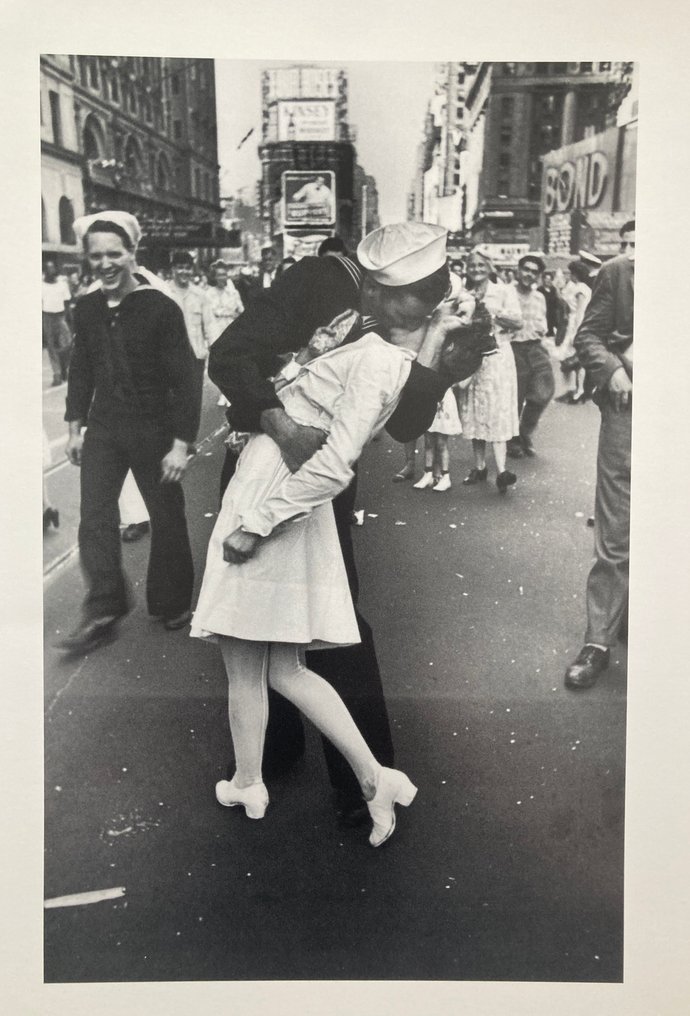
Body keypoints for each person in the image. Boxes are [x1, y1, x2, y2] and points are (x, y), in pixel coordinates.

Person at [193, 223, 472, 845]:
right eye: (411, 307)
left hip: (309, 482)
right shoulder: (319, 281)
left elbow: (404, 427)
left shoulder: (408, 326)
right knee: (269, 636)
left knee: (319, 624)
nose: (415, 318)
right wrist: (279, 422)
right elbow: (230, 355)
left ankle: (356, 781)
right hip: (270, 452)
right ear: (380, 284)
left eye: (428, 311)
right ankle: (270, 757)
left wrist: (432, 360)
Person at [58, 211, 201, 653]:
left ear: (132, 254)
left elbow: (187, 378)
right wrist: (74, 426)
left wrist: (180, 444)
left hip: (154, 427)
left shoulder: (160, 307)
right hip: (104, 427)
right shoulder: (87, 307)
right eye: (96, 255)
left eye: (114, 254)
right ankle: (105, 604)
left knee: (166, 516)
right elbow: (81, 369)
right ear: (87, 258)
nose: (105, 263)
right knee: (95, 517)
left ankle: (172, 601)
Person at [564, 220, 635, 690]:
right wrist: (612, 370)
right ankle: (599, 640)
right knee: (616, 529)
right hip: (629, 410)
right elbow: (587, 336)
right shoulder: (618, 272)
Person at [457, 248, 523, 493]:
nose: (476, 270)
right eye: (472, 265)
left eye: (481, 265)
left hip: (498, 356)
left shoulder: (503, 291)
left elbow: (518, 321)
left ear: (490, 267)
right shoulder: (463, 293)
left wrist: (491, 313)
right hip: (473, 356)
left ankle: (502, 470)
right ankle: (479, 466)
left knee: (497, 409)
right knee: (476, 408)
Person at [507, 254, 554, 459]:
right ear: (518, 270)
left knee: (544, 391)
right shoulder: (506, 293)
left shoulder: (539, 297)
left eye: (534, 272)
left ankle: (525, 432)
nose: (529, 274)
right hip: (512, 348)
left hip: (535, 348)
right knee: (514, 398)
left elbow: (542, 324)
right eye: (526, 269)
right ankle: (513, 440)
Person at [168, 251, 215, 409]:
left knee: (193, 403)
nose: (184, 272)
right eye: (180, 267)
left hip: (195, 358)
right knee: (170, 403)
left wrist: (215, 353)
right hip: (169, 358)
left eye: (188, 268)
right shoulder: (163, 293)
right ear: (173, 269)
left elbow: (210, 327)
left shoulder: (200, 295)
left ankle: (189, 434)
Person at [558, 260, 593, 403]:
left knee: (576, 360)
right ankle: (573, 389)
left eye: (572, 273)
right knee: (573, 359)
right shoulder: (579, 287)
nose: (570, 276)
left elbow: (580, 311)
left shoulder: (581, 289)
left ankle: (578, 391)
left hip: (576, 324)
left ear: (576, 274)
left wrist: (577, 332)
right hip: (572, 323)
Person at [42, 260, 73, 386]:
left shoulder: (62, 284)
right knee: (51, 346)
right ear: (44, 271)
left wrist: (69, 319)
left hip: (61, 316)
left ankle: (64, 369)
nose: (50, 271)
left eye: (52, 268)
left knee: (65, 345)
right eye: (48, 268)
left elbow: (67, 302)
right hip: (47, 316)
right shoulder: (40, 285)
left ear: (56, 269)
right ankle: (57, 375)